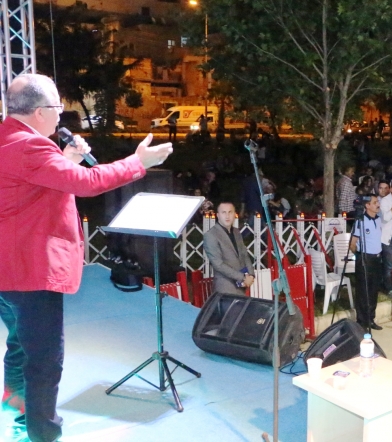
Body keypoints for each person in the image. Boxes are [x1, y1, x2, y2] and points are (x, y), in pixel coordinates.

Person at [0, 73, 172, 442]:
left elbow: (39, 187)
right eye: (59, 108)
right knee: (44, 362)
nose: (62, 117)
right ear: (41, 111)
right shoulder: (31, 147)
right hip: (29, 271)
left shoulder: (10, 140)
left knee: (18, 346)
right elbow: (87, 183)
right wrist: (138, 161)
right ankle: (42, 434)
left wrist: (67, 158)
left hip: (8, 269)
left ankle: (17, 415)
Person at [204, 202, 255, 296]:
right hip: (225, 288)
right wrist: (243, 277)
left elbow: (244, 255)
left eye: (230, 212)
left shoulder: (236, 232)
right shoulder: (211, 235)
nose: (227, 216)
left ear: (234, 214)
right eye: (224, 212)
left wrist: (251, 275)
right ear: (218, 215)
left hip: (242, 287)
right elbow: (218, 264)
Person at [349, 195, 384, 330]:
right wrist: (359, 254)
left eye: (377, 202)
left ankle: (371, 319)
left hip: (377, 258)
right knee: (363, 292)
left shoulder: (378, 219)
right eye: (375, 203)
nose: (377, 204)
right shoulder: (361, 221)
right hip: (365, 258)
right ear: (367, 206)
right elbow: (352, 243)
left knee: (374, 290)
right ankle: (362, 321)